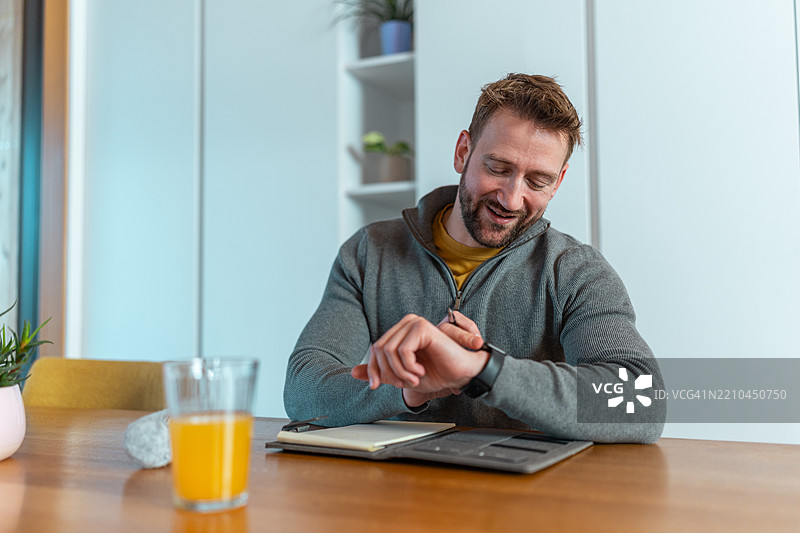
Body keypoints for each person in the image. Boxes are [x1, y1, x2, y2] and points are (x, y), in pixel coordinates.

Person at [284, 73, 664, 443]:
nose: (511, 199)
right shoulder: (370, 252)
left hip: (526, 498)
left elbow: (641, 401)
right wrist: (409, 390)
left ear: (559, 181)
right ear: (463, 151)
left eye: (537, 181)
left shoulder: (576, 272)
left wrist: (482, 370)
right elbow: (304, 389)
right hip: (397, 492)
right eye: (498, 169)